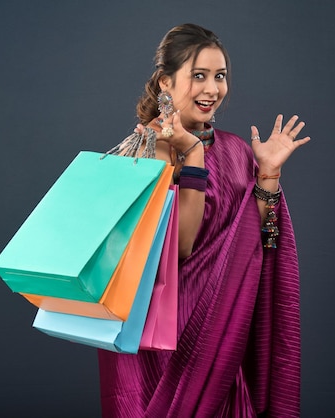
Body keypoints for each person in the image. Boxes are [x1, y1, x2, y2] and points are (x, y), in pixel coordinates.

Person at [97, 23, 310, 417]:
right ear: (166, 82)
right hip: (163, 343)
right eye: (199, 76)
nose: (212, 89)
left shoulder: (234, 149)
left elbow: (251, 241)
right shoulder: (149, 149)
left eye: (220, 76)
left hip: (221, 331)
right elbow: (179, 247)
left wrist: (267, 175)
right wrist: (192, 156)